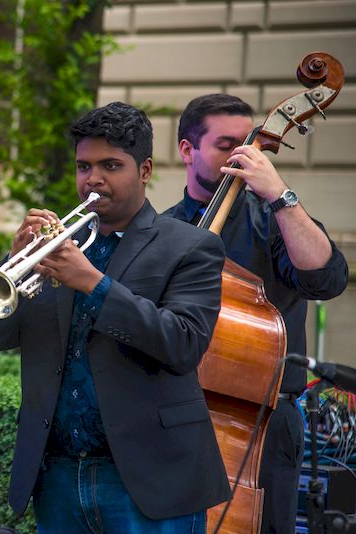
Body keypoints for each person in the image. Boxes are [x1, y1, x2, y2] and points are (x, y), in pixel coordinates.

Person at [0, 102, 230, 532]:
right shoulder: (50, 249)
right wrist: (13, 263)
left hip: (148, 477)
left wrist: (94, 284)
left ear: (144, 170)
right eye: (83, 166)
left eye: (111, 165)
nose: (93, 179)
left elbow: (183, 344)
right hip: (57, 475)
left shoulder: (190, 247)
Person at [163, 93, 349, 534]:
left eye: (249, 143)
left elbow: (327, 279)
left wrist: (280, 196)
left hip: (264, 425)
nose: (242, 155)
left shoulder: (274, 219)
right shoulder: (163, 230)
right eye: (226, 145)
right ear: (187, 150)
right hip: (175, 417)